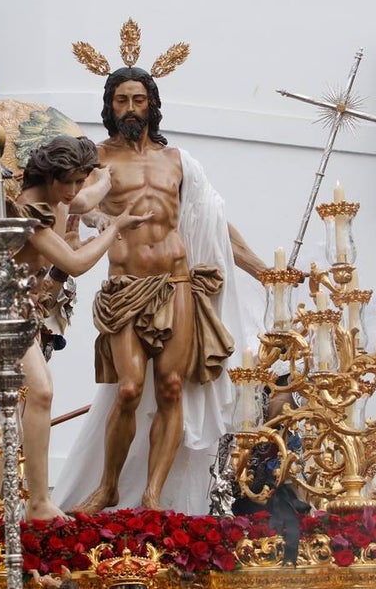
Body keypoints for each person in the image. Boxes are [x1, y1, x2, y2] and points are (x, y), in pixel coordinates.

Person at [58, 26, 267, 513]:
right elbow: (83, 201)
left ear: (152, 105)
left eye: (138, 99)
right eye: (121, 100)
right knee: (128, 389)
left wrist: (260, 267)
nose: (130, 108)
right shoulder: (98, 159)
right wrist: (85, 208)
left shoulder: (179, 161)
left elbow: (213, 220)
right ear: (109, 107)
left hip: (177, 283)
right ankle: (108, 485)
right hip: (127, 286)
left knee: (172, 388)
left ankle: (152, 496)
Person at [9, 135, 152, 520]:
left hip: (23, 309)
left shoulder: (56, 204)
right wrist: (114, 227)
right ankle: (37, 501)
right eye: (67, 181)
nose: (73, 191)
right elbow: (75, 263)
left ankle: (27, 498)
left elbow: (54, 273)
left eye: (78, 181)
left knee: (23, 405)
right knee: (39, 393)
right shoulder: (29, 208)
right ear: (48, 174)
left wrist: (58, 261)